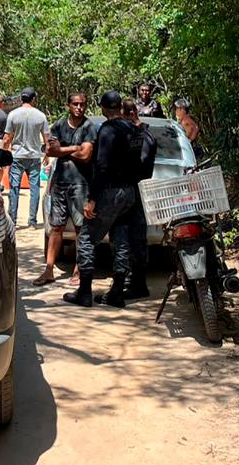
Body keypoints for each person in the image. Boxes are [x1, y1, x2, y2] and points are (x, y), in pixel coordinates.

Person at [64, 91, 145, 309]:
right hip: (129, 192)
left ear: (102, 109)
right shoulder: (133, 129)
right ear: (120, 107)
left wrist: (92, 198)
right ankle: (117, 293)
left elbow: (102, 166)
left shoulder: (108, 130)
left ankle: (84, 292)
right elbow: (140, 161)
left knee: (87, 239)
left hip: (110, 192)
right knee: (121, 241)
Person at [33, 93, 96, 287]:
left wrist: (64, 149)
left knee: (80, 228)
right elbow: (50, 150)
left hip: (80, 184)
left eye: (82, 104)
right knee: (56, 227)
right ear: (68, 105)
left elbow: (86, 155)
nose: (79, 107)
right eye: (75, 104)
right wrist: (73, 148)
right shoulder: (59, 125)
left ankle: (78, 271)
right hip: (59, 182)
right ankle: (49, 269)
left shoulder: (89, 127)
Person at [120, 98, 158, 300]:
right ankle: (132, 283)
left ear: (132, 114)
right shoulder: (137, 134)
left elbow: (142, 163)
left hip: (136, 192)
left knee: (134, 240)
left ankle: (136, 284)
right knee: (128, 239)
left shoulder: (143, 136)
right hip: (130, 193)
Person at [2, 87, 49, 228]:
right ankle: (33, 221)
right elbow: (47, 137)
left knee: (14, 188)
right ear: (34, 99)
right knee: (34, 188)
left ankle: (13, 220)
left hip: (17, 157)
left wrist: (4, 153)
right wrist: (47, 153)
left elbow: (6, 138)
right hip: (34, 157)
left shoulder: (13, 115)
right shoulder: (40, 116)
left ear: (21, 99)